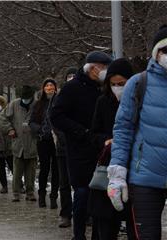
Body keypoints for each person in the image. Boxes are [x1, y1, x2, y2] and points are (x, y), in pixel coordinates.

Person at [107, 25, 167, 240]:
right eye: (165, 49)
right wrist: (116, 175)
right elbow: (123, 130)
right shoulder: (139, 83)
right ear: (155, 53)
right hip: (144, 179)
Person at [50, 51, 112, 240]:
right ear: (92, 68)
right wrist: (80, 132)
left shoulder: (105, 89)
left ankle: (96, 235)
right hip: (79, 150)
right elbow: (57, 116)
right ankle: (78, 235)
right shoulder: (72, 88)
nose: (105, 72)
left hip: (100, 148)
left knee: (99, 194)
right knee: (83, 193)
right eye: (103, 68)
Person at [88, 58, 134, 240]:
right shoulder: (103, 101)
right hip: (108, 167)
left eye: (121, 84)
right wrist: (105, 141)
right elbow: (94, 133)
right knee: (106, 222)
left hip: (134, 167)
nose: (117, 87)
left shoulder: (139, 100)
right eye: (113, 84)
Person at [0, 85, 38, 202]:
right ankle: (16, 192)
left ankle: (30, 192)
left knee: (31, 171)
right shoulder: (14, 104)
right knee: (17, 172)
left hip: (32, 143)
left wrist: (36, 129)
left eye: (27, 97)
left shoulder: (36, 105)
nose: (25, 100)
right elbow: (2, 118)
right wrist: (9, 129)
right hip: (18, 143)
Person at [53, 67, 77, 228]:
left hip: (81, 147)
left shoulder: (84, 95)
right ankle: (66, 213)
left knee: (82, 182)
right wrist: (63, 137)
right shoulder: (59, 97)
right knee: (64, 183)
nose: (71, 78)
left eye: (74, 76)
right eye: (69, 76)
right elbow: (55, 119)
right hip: (63, 147)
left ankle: (85, 213)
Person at [30, 79, 59, 209]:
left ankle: (54, 196)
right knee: (44, 169)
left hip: (57, 140)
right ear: (43, 88)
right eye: (47, 85)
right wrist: (40, 129)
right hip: (43, 140)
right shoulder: (38, 104)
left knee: (56, 169)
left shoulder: (59, 101)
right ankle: (42, 195)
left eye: (51, 85)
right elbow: (31, 122)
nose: (49, 87)